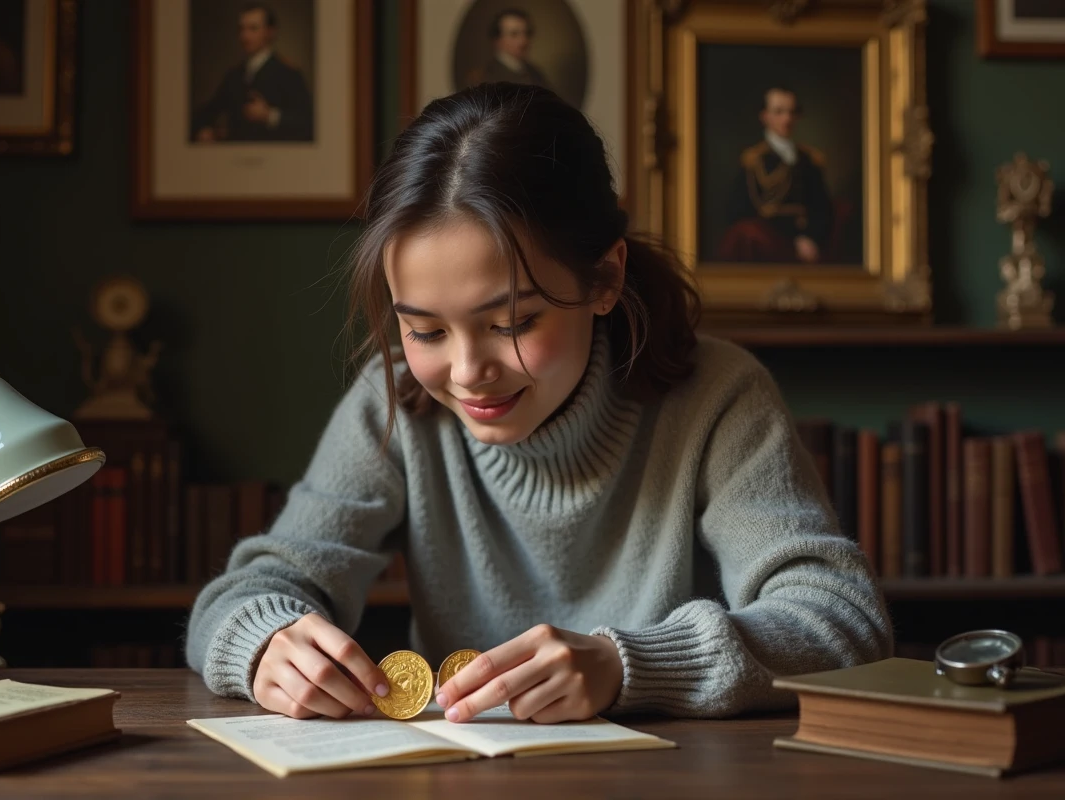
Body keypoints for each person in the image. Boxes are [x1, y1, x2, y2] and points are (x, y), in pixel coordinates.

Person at [185, 82, 891, 724]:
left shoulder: (719, 395)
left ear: (605, 277)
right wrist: (264, 640)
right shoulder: (393, 397)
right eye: (424, 329)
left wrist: (625, 666)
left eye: (513, 323)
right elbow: (249, 591)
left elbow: (840, 621)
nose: (467, 374)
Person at [717, 87, 835, 264]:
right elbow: (739, 211)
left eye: (791, 112)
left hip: (806, 241)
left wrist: (811, 238)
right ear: (765, 116)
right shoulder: (754, 160)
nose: (786, 119)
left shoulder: (809, 159)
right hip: (768, 240)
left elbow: (822, 207)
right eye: (779, 112)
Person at [190, 3, 313, 143]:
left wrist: (269, 116)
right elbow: (210, 110)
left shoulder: (289, 74)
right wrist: (204, 128)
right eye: (242, 29)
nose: (245, 35)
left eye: (253, 29)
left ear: (270, 32)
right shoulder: (234, 75)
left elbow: (307, 123)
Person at [466, 9, 551, 92]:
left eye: (527, 33)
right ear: (497, 40)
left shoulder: (535, 72)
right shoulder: (482, 77)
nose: (523, 40)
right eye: (514, 34)